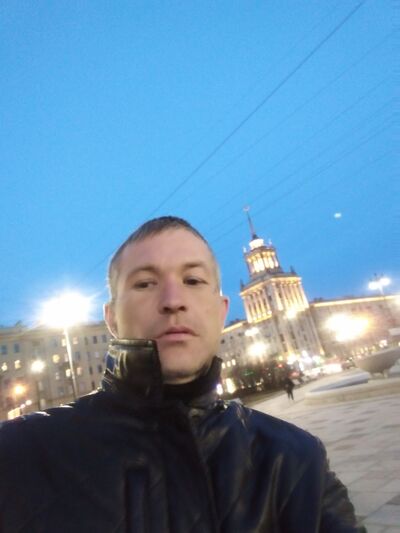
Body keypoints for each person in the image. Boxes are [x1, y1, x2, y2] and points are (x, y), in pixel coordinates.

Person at [0, 216, 365, 532]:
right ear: (111, 319)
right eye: (145, 283)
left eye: (193, 280)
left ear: (221, 312)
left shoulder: (296, 460)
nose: (173, 300)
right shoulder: (20, 455)